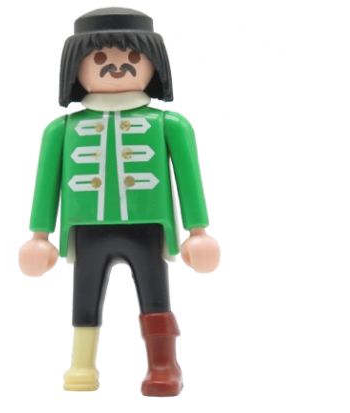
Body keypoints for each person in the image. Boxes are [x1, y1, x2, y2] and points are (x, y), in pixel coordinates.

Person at [19, 7, 220, 397]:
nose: (117, 67)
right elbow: (46, 183)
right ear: (75, 68)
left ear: (154, 64)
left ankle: (163, 364)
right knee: (85, 297)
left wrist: (198, 231)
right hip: (86, 230)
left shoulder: (169, 124)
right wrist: (39, 236)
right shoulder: (61, 129)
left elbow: (188, 177)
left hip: (148, 227)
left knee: (155, 294)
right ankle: (82, 363)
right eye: (99, 58)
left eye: (132, 57)